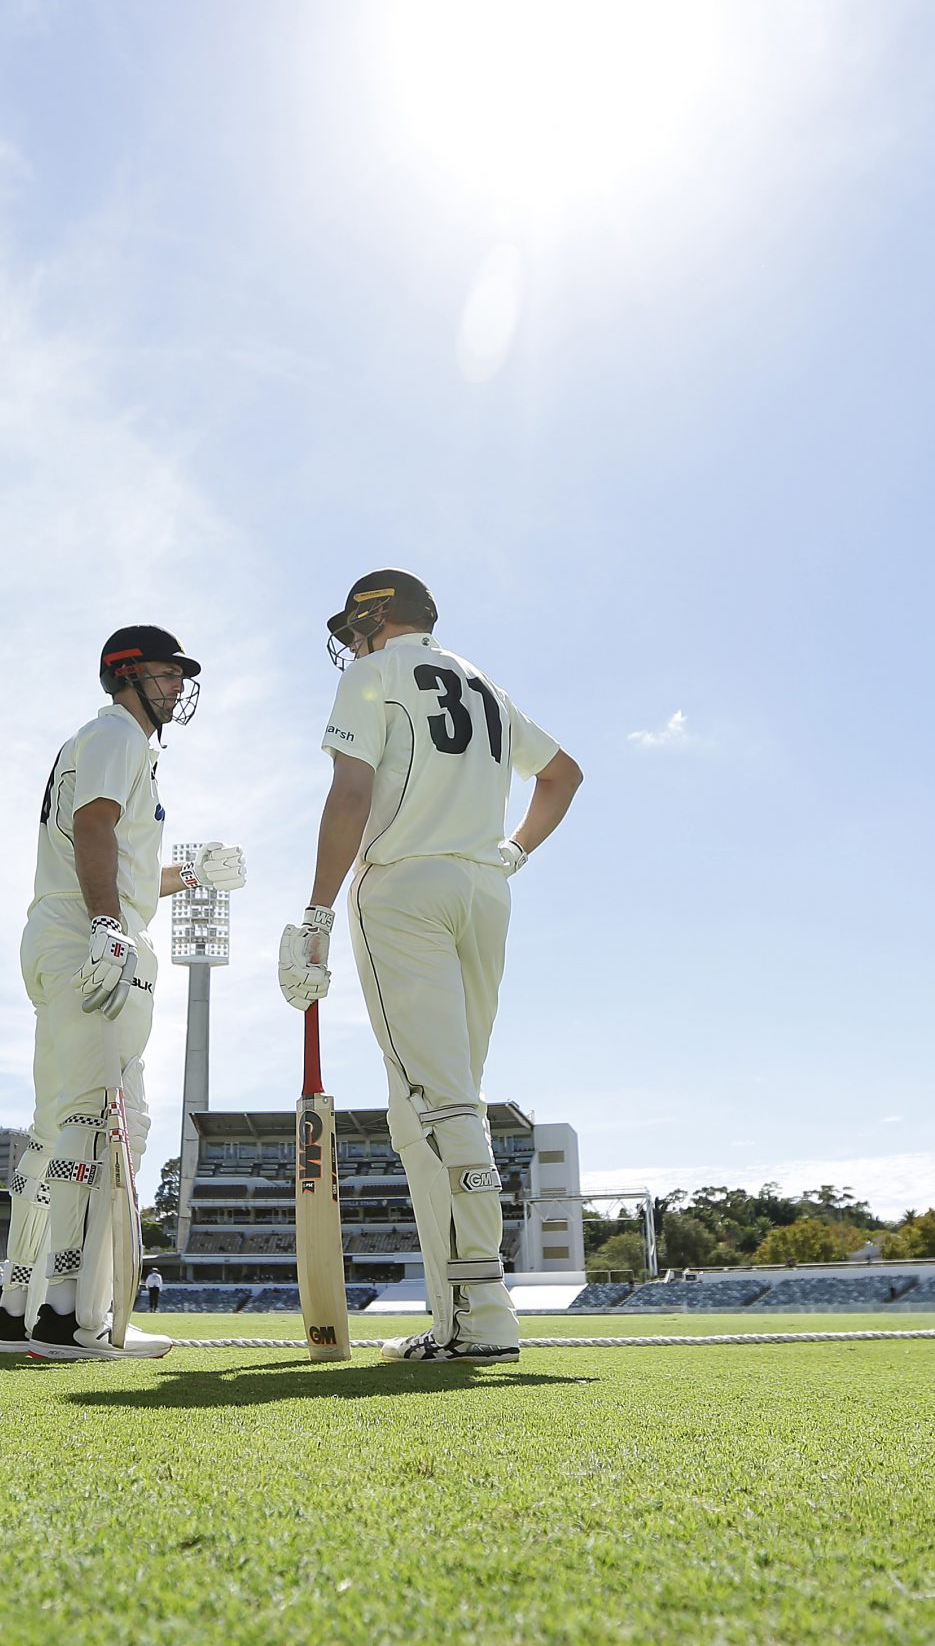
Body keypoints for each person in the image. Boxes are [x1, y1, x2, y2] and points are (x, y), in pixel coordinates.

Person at [279, 570, 582, 1363]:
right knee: (450, 1099)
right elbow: (562, 777)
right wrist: (513, 849)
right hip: (485, 891)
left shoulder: (376, 675)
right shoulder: (484, 683)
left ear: (379, 618)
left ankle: (481, 1314)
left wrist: (314, 910)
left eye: (354, 629)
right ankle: (462, 1310)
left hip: (405, 885)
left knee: (433, 1100)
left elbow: (351, 792)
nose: (350, 644)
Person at [0, 625, 247, 1361]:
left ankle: (17, 1306)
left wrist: (189, 875)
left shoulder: (112, 743)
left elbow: (119, 855)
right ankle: (68, 1318)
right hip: (89, 939)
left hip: (71, 934)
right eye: (166, 675)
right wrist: (107, 923)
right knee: (100, 1121)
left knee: (61, 1124)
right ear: (126, 675)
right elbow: (92, 825)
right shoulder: (117, 735)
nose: (176, 689)